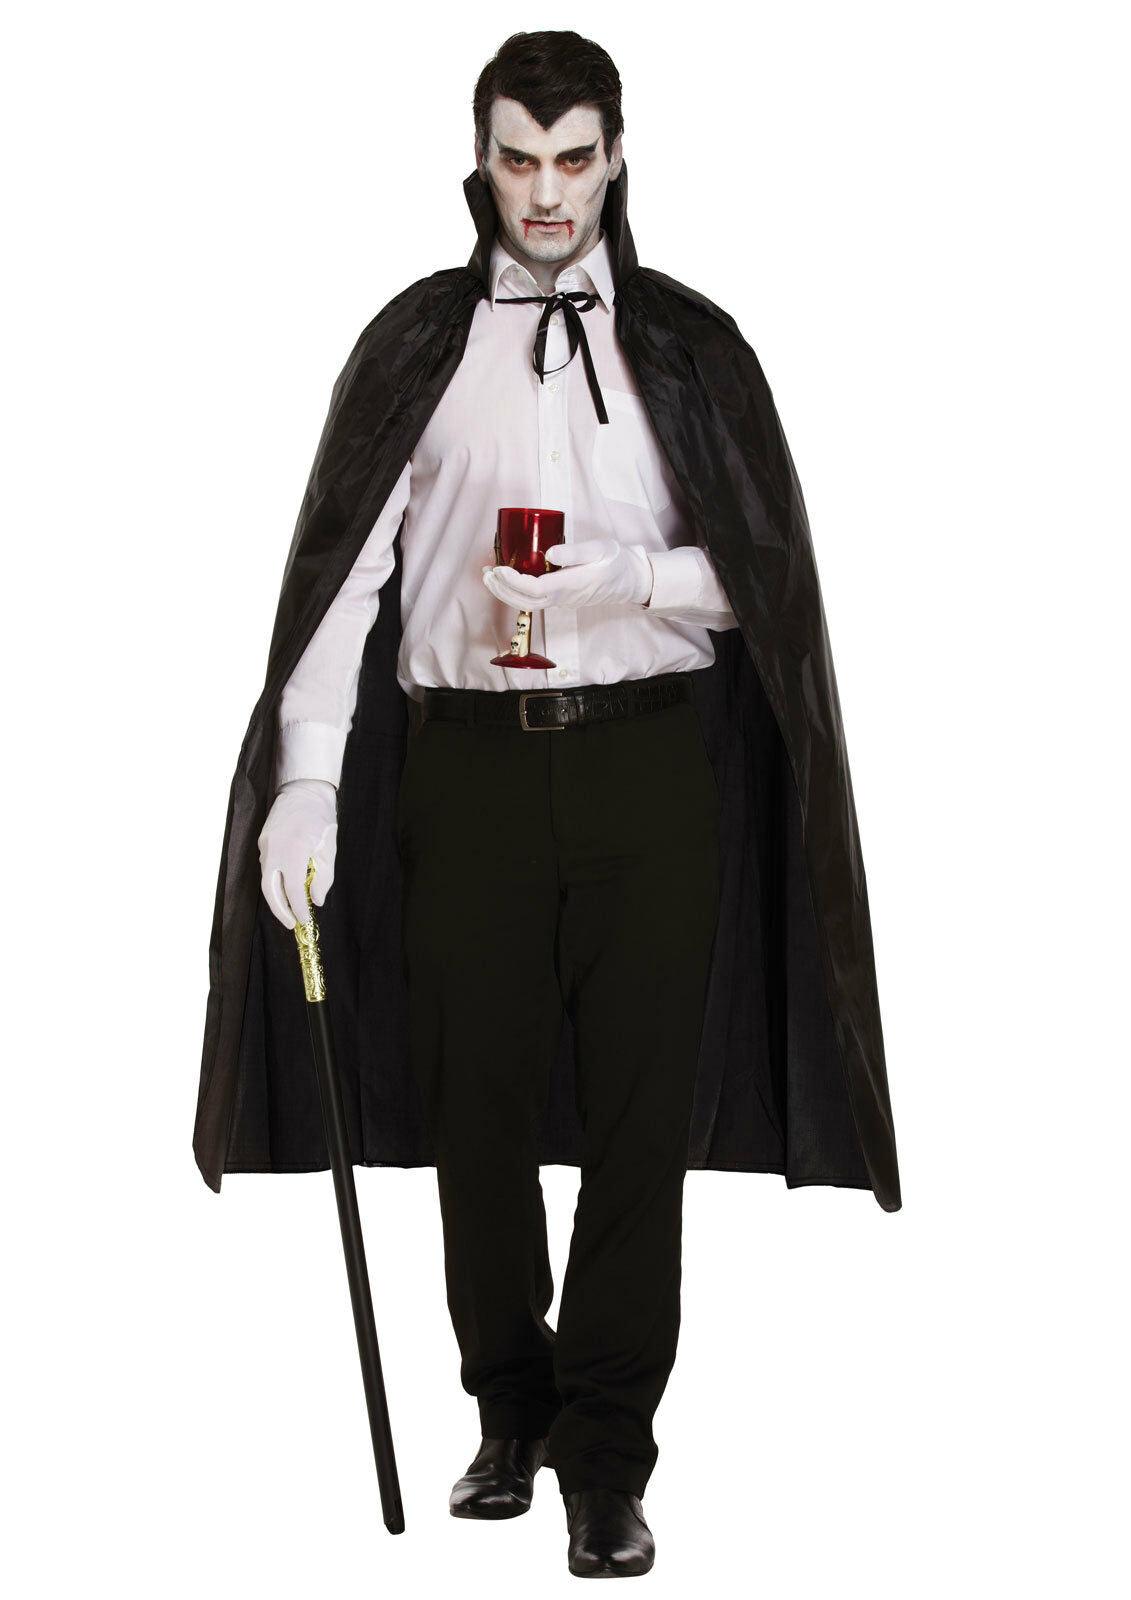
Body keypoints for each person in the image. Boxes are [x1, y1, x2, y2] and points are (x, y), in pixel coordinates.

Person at [197, 29, 901, 1582]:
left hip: (649, 766)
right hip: (463, 771)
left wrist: (628, 580)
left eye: (574, 159)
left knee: (643, 1124)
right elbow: (344, 580)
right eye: (519, 159)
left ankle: (608, 1460)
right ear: (483, 159)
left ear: (616, 159)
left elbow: (768, 586)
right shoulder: (417, 346)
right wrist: (307, 779)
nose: (546, 193)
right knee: (480, 1110)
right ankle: (508, 1416)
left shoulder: (691, 348)